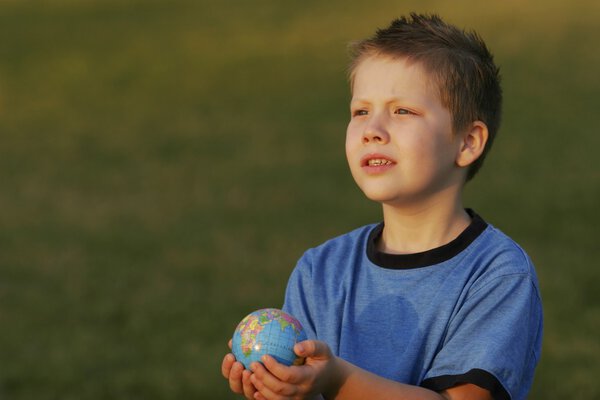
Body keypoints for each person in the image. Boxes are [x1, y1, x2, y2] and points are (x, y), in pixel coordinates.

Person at [222, 13, 542, 400]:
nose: (372, 129)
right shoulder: (319, 270)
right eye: (360, 111)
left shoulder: (497, 275)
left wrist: (335, 378)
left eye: (402, 111)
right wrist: (283, 389)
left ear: (467, 142)